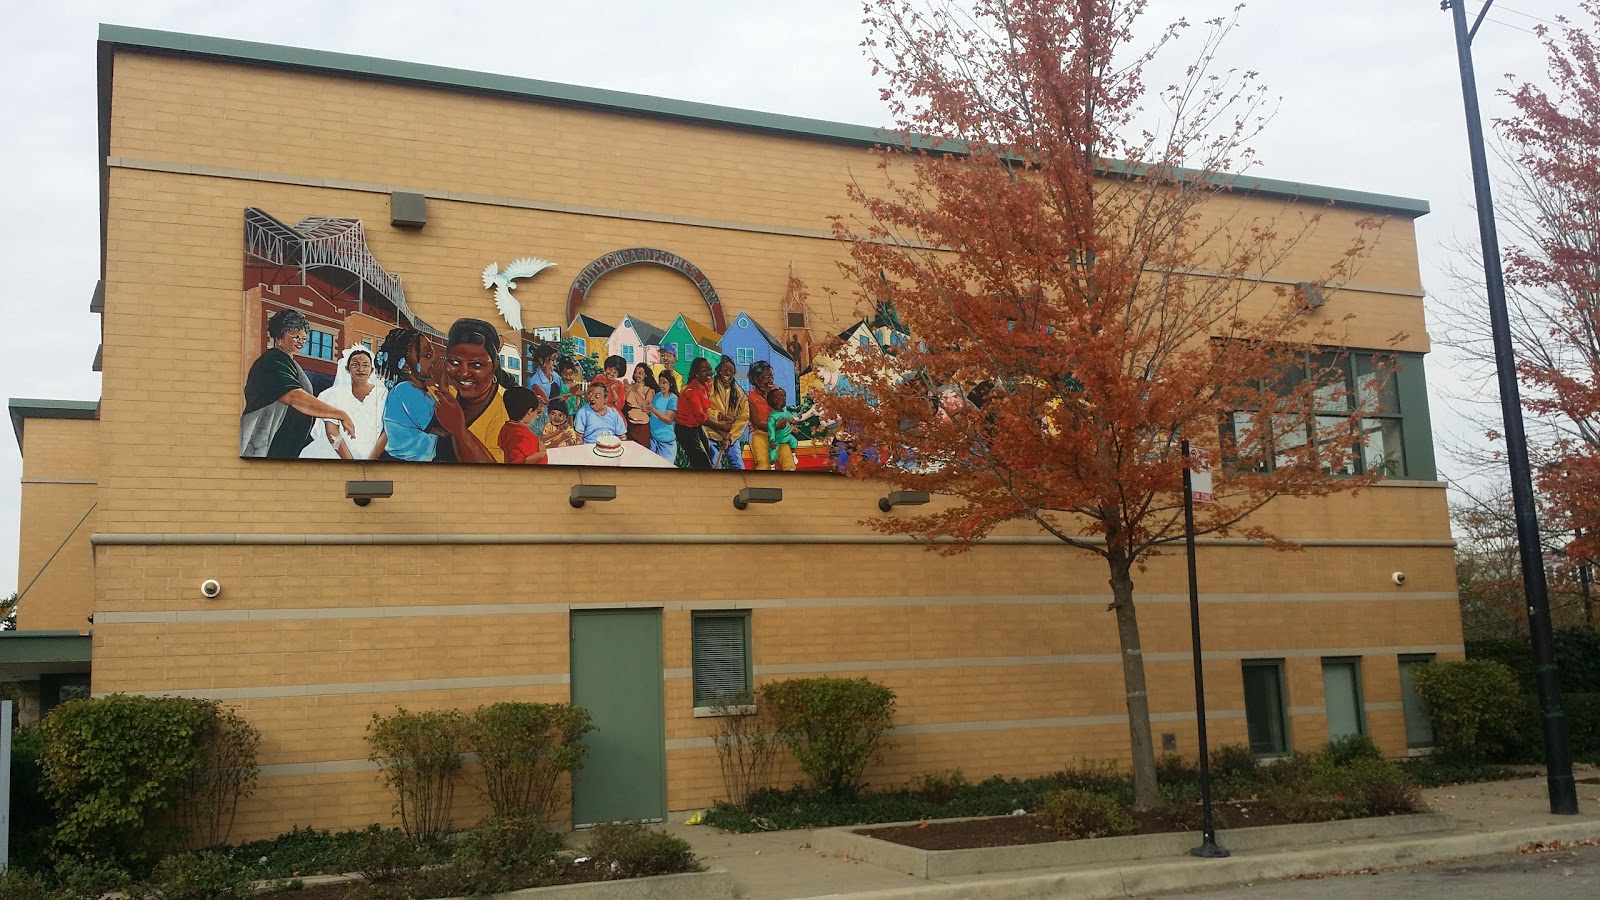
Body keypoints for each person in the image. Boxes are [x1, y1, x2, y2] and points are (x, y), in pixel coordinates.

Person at [241, 309, 355, 458]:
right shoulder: (273, 361)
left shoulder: (288, 362)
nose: (301, 341)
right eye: (296, 337)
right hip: (263, 443)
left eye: (304, 338)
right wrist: (339, 413)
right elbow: (294, 397)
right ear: (279, 337)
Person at [436, 318, 514, 463]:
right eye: (454, 362)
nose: (463, 373)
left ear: (494, 366)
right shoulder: (447, 393)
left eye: (476, 364)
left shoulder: (507, 409)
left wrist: (459, 430)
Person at [300, 346, 388, 460]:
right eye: (355, 365)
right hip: (335, 454)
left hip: (371, 456)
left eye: (365, 365)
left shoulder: (383, 394)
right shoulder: (332, 394)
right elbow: (332, 431)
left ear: (371, 370)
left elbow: (387, 430)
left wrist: (370, 460)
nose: (360, 369)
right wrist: (349, 462)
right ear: (347, 369)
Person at [377, 327, 441, 462]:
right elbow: (443, 428)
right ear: (406, 366)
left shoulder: (425, 392)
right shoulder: (406, 391)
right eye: (427, 356)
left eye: (433, 354)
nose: (434, 360)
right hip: (403, 464)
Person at [705, 357, 751, 469]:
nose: (728, 374)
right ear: (719, 370)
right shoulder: (709, 387)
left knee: (739, 466)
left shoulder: (739, 393)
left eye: (731, 371)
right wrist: (720, 417)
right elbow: (703, 409)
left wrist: (730, 437)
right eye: (725, 370)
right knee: (714, 466)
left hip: (730, 436)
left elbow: (744, 417)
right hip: (711, 434)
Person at [674, 357, 715, 468]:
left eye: (710, 369)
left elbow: (708, 408)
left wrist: (722, 417)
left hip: (696, 427)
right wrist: (721, 427)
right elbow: (702, 417)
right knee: (702, 463)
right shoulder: (690, 391)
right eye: (704, 370)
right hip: (685, 430)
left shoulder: (705, 387)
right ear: (696, 373)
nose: (709, 373)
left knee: (708, 454)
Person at [498, 386, 548, 464]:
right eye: (536, 411)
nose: (537, 414)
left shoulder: (507, 427)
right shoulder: (520, 435)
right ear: (530, 411)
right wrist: (541, 454)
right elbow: (519, 462)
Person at [746, 361, 776, 470]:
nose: (770, 381)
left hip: (776, 433)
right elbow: (757, 423)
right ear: (755, 379)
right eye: (766, 378)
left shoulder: (776, 391)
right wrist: (776, 426)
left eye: (772, 377)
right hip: (758, 433)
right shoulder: (750, 397)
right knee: (762, 463)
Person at [764, 386, 800, 471]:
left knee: (794, 441)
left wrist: (796, 416)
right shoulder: (773, 416)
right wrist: (772, 440)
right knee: (773, 451)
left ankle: (794, 455)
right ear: (776, 401)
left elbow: (789, 415)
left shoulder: (784, 409)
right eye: (782, 397)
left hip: (787, 436)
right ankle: (772, 466)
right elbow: (771, 429)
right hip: (778, 439)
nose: (785, 399)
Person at [648, 369, 679, 462]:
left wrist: (652, 409)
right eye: (660, 382)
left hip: (666, 442)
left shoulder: (673, 399)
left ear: (671, 384)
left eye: (664, 383)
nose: (661, 385)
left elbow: (668, 419)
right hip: (653, 439)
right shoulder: (657, 395)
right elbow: (651, 413)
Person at [623, 364, 658, 447]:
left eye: (640, 373)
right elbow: (624, 402)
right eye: (636, 373)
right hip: (630, 424)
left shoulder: (649, 390)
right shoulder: (630, 386)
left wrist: (635, 392)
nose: (637, 375)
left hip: (642, 425)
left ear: (646, 375)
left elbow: (645, 407)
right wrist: (627, 389)